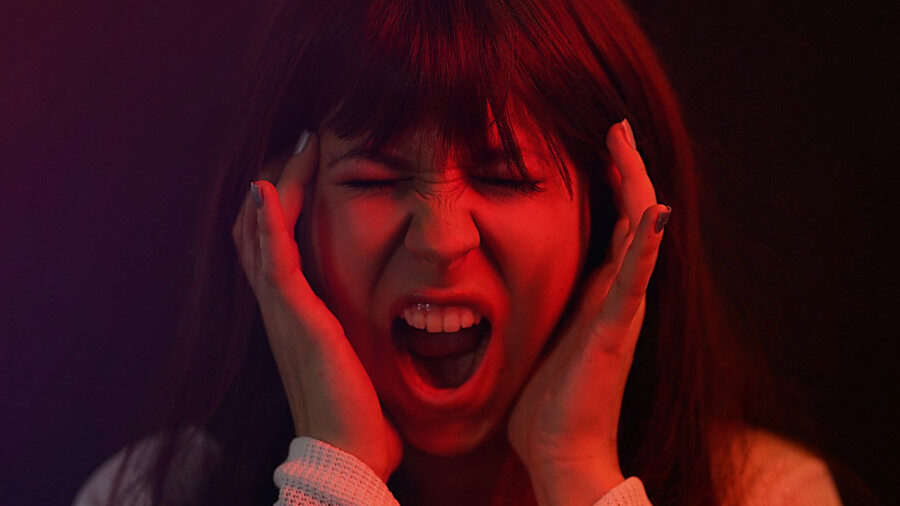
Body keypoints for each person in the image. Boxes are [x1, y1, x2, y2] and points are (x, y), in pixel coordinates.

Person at [74, 0, 843, 505]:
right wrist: (334, 473)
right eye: (375, 175)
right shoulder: (151, 492)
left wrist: (576, 472)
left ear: (612, 216)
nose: (441, 240)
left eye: (504, 175)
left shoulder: (768, 493)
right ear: (289, 216)